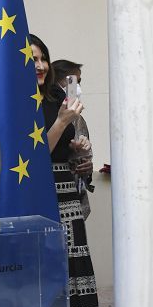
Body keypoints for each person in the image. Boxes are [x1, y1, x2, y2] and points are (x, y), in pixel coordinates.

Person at [31, 35, 100, 307]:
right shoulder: (16, 103)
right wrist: (60, 122)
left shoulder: (58, 96)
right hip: (38, 200)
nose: (41, 65)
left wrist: (81, 158)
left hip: (68, 198)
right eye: (32, 59)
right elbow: (31, 159)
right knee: (45, 286)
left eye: (43, 58)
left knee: (74, 283)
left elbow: (66, 151)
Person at [51, 59, 94, 222]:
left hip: (76, 199)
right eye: (73, 81)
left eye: (79, 82)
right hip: (53, 195)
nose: (77, 87)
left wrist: (87, 166)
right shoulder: (45, 115)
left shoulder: (78, 119)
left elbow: (87, 156)